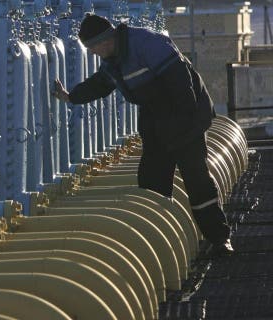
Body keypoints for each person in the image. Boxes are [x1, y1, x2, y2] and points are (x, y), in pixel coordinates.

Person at [52, 13, 233, 255]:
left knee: (197, 179)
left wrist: (184, 127)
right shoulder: (113, 59)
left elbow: (181, 82)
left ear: (105, 40)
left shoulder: (148, 43)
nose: (93, 53)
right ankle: (160, 244)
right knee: (151, 180)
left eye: (93, 48)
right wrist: (71, 96)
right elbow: (101, 84)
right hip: (155, 114)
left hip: (184, 113)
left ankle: (219, 239)